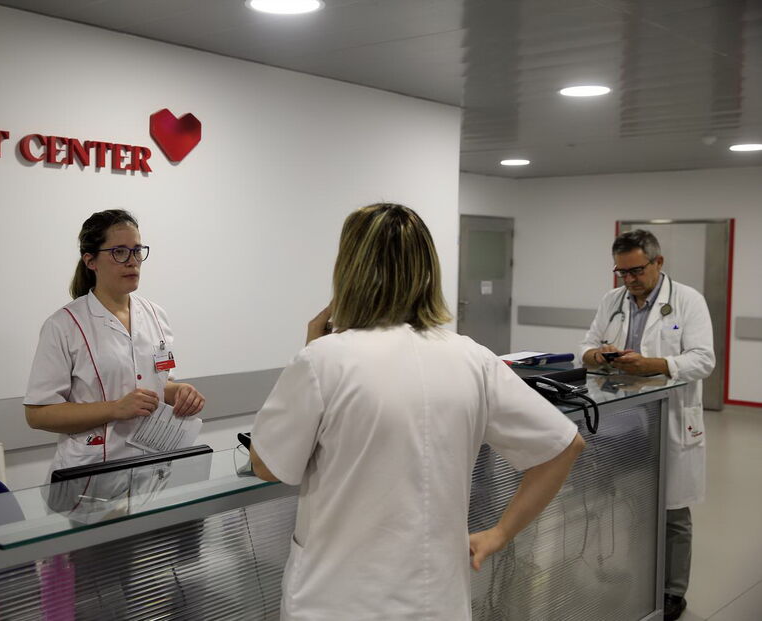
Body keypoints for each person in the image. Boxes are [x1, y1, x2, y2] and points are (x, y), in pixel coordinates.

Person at [248, 203, 586, 620]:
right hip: (437, 601)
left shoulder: (324, 360)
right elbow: (564, 445)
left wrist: (308, 347)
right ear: (428, 269)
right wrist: (498, 534)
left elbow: (266, 466)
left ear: (348, 269)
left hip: (337, 600)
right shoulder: (471, 358)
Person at [579, 229, 714, 621]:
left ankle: (673, 592)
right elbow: (585, 346)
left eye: (636, 270)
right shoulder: (613, 301)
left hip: (669, 415)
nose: (629, 280)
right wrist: (598, 355)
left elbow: (703, 361)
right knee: (634, 499)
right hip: (625, 419)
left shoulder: (688, 301)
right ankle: (642, 575)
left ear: (658, 262)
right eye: (621, 273)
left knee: (673, 511)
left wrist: (653, 365)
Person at [24, 209, 204, 475]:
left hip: (152, 466)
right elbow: (37, 414)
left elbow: (155, 383)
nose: (132, 261)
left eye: (137, 250)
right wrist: (115, 409)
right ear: (91, 261)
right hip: (91, 471)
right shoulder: (64, 325)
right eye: (119, 252)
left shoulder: (156, 315)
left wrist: (178, 392)